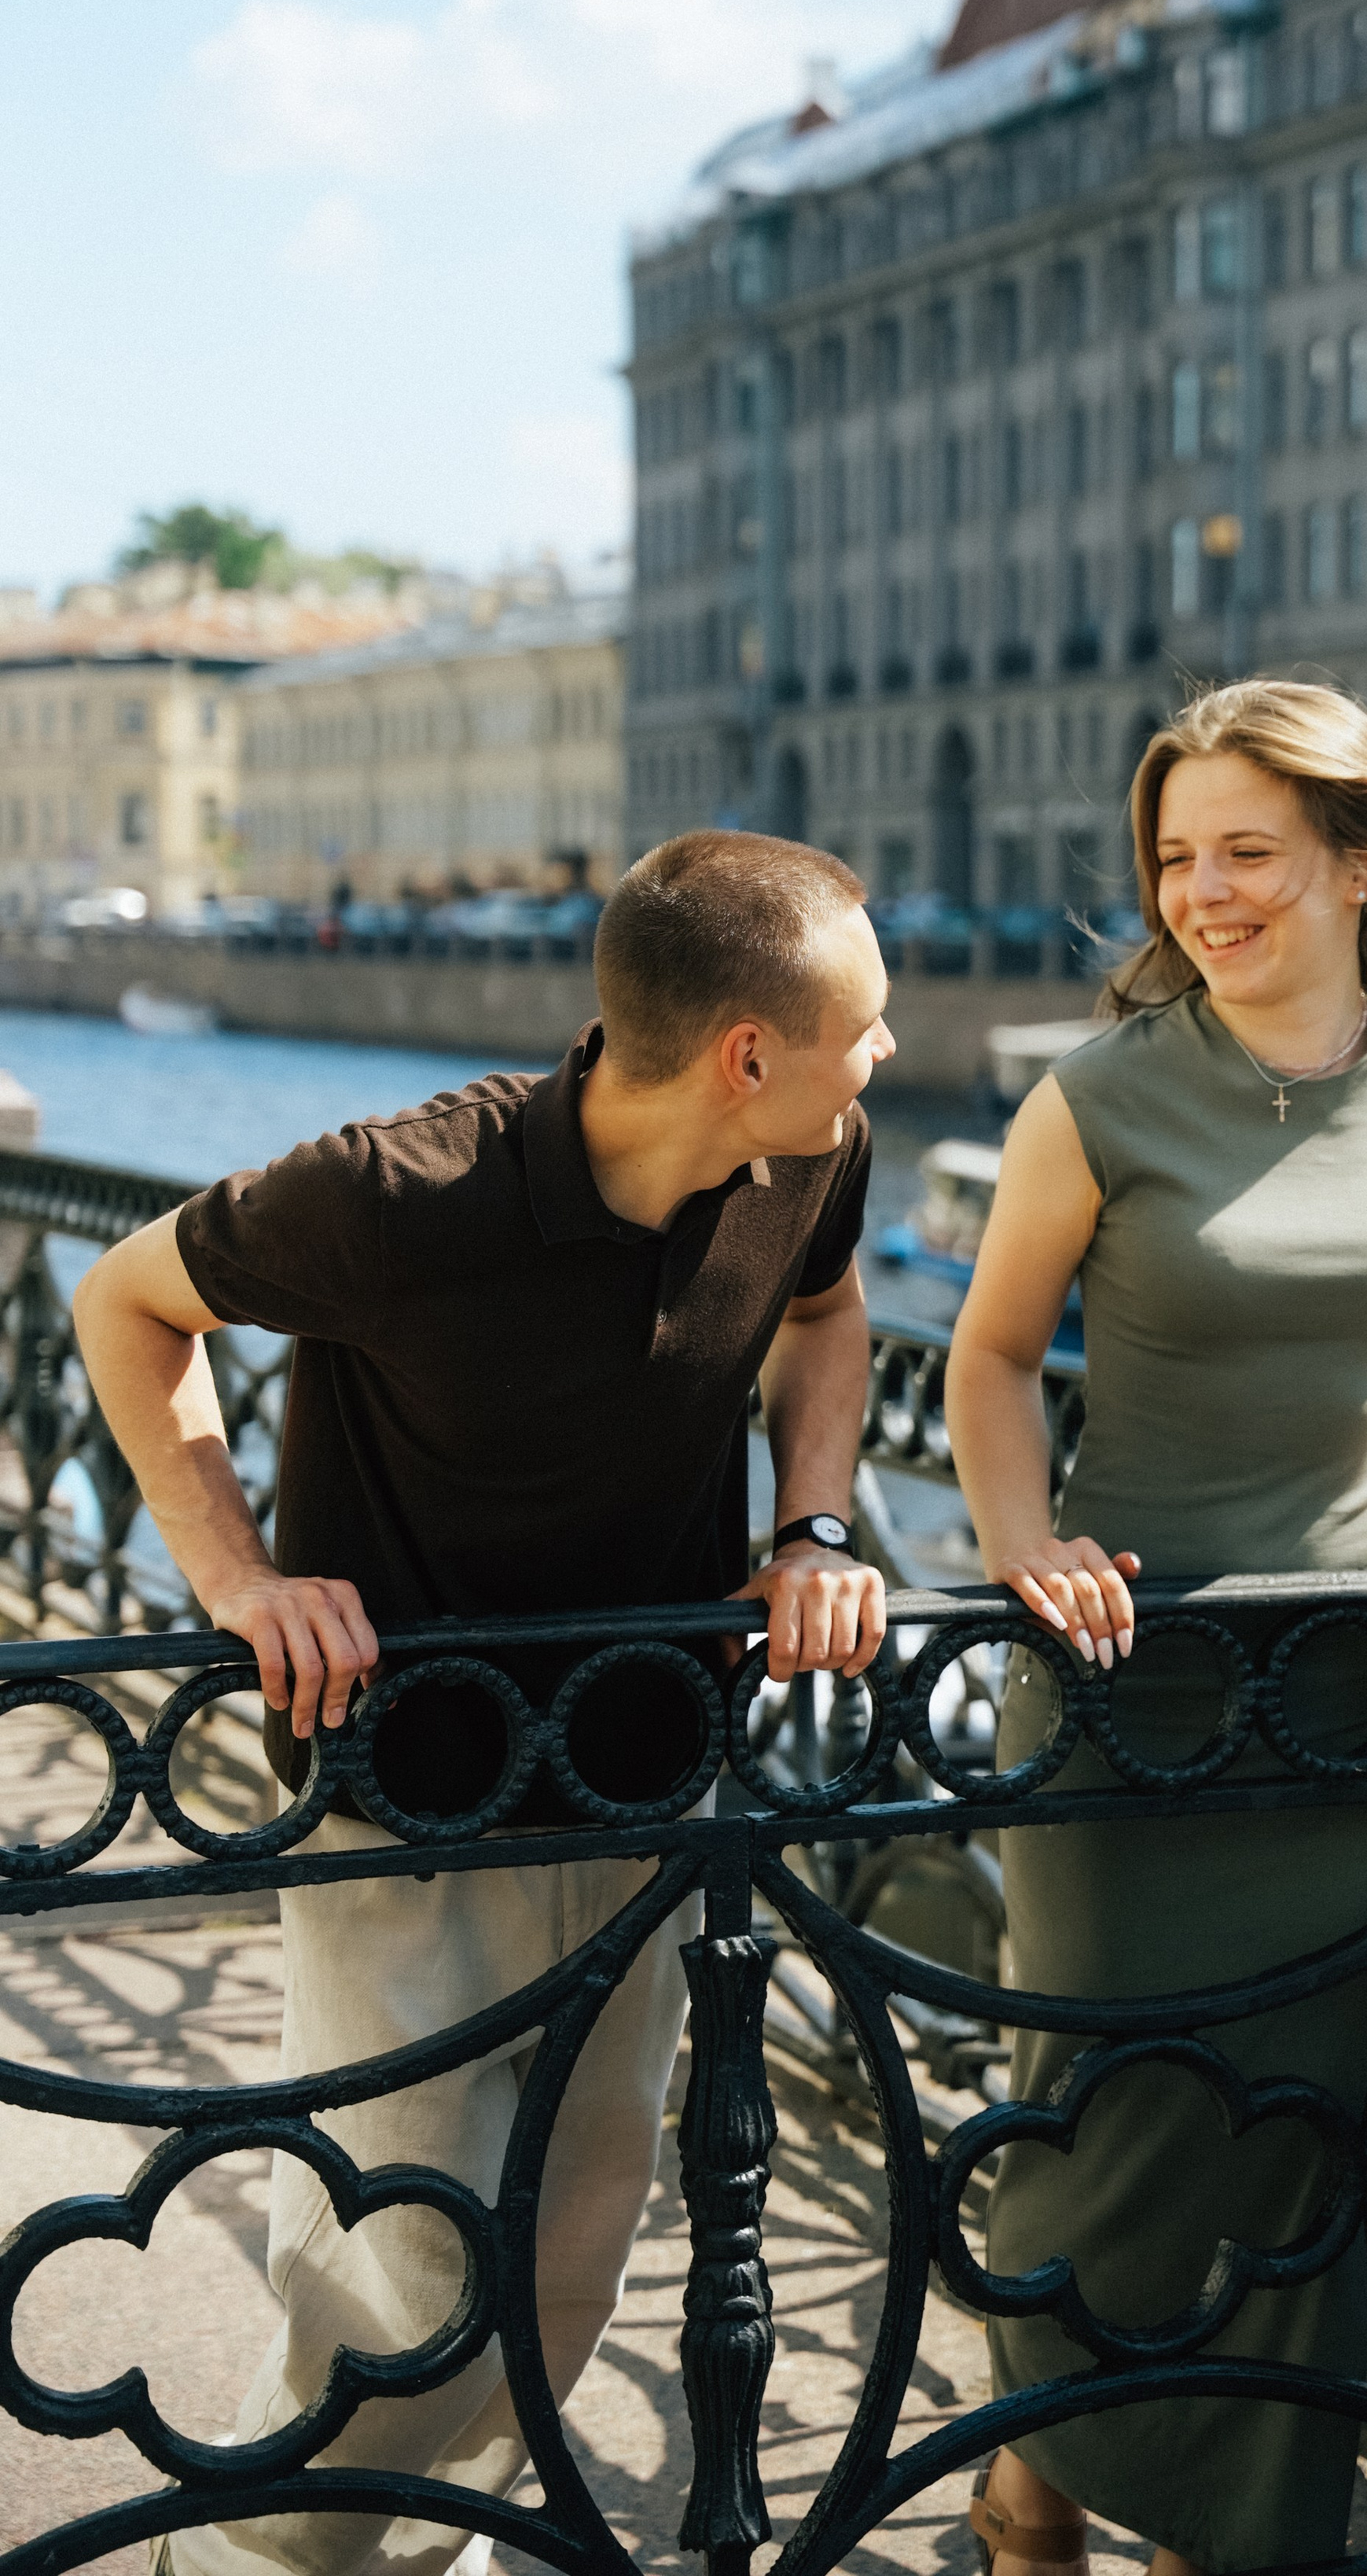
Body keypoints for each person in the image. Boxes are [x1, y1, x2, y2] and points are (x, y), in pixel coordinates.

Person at [72, 830, 895, 2576]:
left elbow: (827, 1321)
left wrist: (814, 1524)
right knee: (406, 2256)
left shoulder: (808, 1151)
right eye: (865, 1023)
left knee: (577, 2249)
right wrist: (235, 1580)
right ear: (747, 1053)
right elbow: (124, 1299)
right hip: (406, 1790)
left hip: (647, 1769)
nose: (887, 1051)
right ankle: (243, 2564)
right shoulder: (401, 1193)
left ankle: (415, 2551)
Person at [944, 681, 1367, 2576]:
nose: (1200, 893)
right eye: (1175, 857)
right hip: (1125, 1686)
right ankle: (1037, 2478)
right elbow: (987, 1355)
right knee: (1105, 2122)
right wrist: (1024, 1546)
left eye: (1246, 854)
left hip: (1345, 1692)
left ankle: (1230, 2537)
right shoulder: (1096, 1096)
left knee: (1298, 2138)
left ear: (1361, 867)